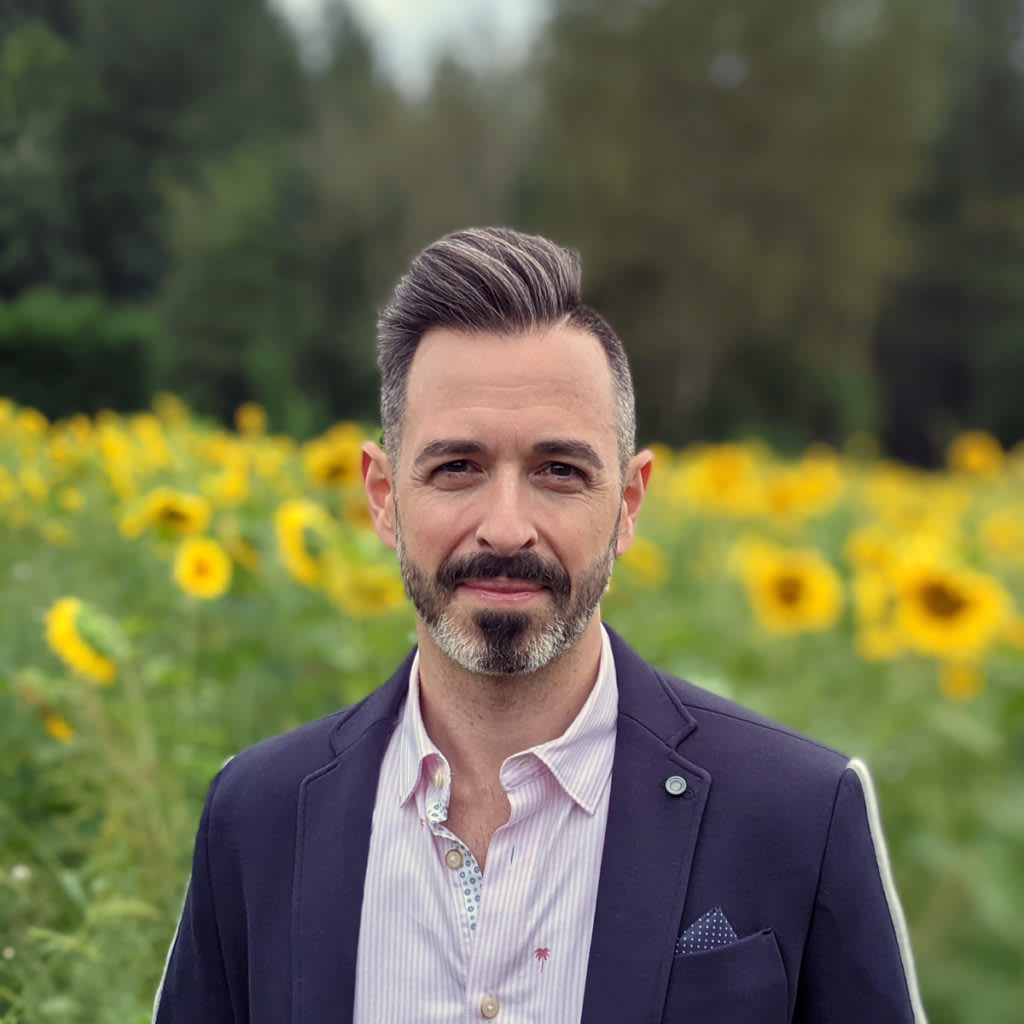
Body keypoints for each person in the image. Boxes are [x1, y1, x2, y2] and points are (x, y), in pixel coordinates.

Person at [153, 227, 927, 1023]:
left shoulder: (799, 812)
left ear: (628, 502)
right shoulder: (258, 816)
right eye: (458, 468)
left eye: (559, 471)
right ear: (383, 496)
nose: (506, 527)